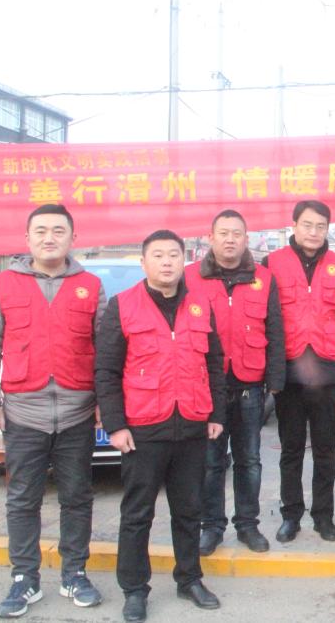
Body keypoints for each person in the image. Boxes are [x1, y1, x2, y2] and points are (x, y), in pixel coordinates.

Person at [0, 204, 106, 618]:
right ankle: (24, 578)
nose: (50, 238)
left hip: (77, 412)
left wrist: (105, 404)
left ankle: (74, 574)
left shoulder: (91, 285)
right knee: (22, 499)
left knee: (77, 497)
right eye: (42, 231)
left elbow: (105, 352)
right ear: (28, 238)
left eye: (58, 231)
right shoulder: (4, 284)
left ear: (73, 238)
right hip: (23, 413)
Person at [95, 230, 226, 623]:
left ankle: (189, 579)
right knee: (138, 513)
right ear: (143, 262)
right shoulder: (122, 305)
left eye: (173, 254)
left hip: (191, 425)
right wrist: (115, 425)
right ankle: (135, 590)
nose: (167, 262)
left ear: (184, 260)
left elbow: (214, 364)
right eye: (158, 255)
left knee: (189, 510)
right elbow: (106, 371)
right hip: (143, 428)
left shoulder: (200, 305)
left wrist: (216, 414)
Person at [186, 210, 285, 557]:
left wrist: (275, 379)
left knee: (250, 461)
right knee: (211, 462)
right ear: (210, 237)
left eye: (237, 234)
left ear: (246, 239)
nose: (230, 239)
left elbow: (275, 329)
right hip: (205, 387)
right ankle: (211, 527)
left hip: (250, 386)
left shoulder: (264, 278)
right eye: (224, 233)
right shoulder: (190, 277)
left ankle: (247, 524)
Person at [266, 200, 335, 544]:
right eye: (307, 225)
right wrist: (271, 373)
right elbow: (266, 320)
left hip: (326, 368)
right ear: (294, 226)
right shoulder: (273, 263)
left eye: (321, 226)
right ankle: (291, 516)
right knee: (291, 449)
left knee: (325, 449)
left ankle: (324, 517)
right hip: (290, 370)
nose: (313, 232)